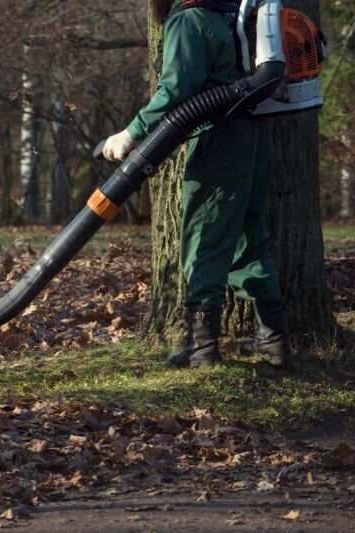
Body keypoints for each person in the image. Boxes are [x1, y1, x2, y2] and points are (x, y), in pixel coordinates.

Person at [102, 0, 291, 369]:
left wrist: (131, 133)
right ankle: (275, 339)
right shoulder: (228, 16)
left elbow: (175, 90)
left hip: (219, 140)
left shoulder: (191, 21)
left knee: (205, 235)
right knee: (247, 237)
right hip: (253, 137)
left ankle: (201, 346)